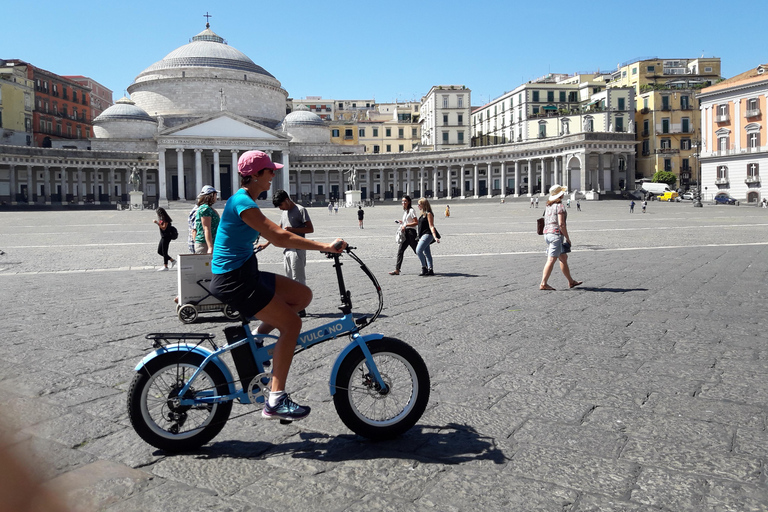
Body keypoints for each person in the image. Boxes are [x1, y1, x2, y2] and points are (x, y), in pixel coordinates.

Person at [210, 151, 345, 422]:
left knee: (301, 296)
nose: (274, 175)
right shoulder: (242, 202)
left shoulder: (246, 201)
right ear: (256, 175)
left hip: (246, 272)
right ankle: (276, 399)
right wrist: (324, 246)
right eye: (270, 171)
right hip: (234, 280)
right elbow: (280, 237)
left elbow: (277, 236)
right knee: (292, 325)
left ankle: (258, 340)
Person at [256, 189, 314, 318]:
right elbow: (278, 231)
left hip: (297, 249)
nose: (281, 209)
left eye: (281, 205)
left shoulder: (300, 210)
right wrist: (266, 244)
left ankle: (302, 307)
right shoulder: (285, 213)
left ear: (287, 200)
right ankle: (294, 304)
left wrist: (292, 229)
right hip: (287, 249)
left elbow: (310, 229)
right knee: (289, 279)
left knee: (298, 279)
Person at [539, 185, 582, 291]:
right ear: (560, 195)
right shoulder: (560, 206)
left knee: (563, 258)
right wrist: (568, 238)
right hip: (556, 236)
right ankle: (543, 283)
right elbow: (562, 224)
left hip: (547, 234)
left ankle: (571, 281)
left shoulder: (548, 206)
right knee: (551, 260)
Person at [389, 195, 418, 275]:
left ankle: (426, 266)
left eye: (405, 201)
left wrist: (406, 225)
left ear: (409, 202)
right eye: (402, 201)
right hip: (405, 233)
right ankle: (397, 270)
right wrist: (402, 222)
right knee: (400, 251)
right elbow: (408, 221)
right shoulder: (405, 211)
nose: (403, 203)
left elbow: (416, 222)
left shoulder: (412, 210)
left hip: (411, 234)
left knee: (417, 251)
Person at [416, 198, 440, 276]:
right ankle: (430, 269)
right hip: (422, 235)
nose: (418, 206)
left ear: (424, 205)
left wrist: (435, 237)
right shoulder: (422, 214)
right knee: (427, 253)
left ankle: (424, 267)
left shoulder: (428, 214)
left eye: (419, 204)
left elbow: (431, 226)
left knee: (418, 250)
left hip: (427, 235)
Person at [194, 185, 220, 254]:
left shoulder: (209, 208)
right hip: (205, 244)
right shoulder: (205, 209)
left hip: (210, 242)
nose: (216, 197)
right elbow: (206, 228)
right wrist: (210, 247)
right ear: (211, 195)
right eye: (215, 194)